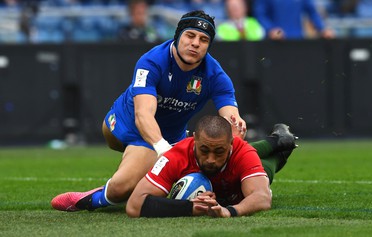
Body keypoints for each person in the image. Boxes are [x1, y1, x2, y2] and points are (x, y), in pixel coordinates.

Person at [51, 10, 250, 212]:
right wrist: (164, 151)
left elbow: (230, 116)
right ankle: (92, 197)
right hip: (127, 126)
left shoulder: (216, 75)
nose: (196, 43)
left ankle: (277, 148)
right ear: (178, 35)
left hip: (170, 138)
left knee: (127, 187)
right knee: (126, 182)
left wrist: (235, 127)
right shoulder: (152, 61)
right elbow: (143, 115)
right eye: (190, 35)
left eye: (204, 39)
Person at [126, 115, 297, 218]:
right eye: (204, 150)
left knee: (265, 170)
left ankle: (279, 148)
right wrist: (191, 207)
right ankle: (279, 142)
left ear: (232, 143)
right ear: (194, 139)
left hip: (235, 188)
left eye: (219, 152)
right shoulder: (175, 156)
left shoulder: (242, 150)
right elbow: (134, 205)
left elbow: (262, 197)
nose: (210, 160)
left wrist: (229, 211)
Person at [252, 0, 335, 40]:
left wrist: (323, 29)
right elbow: (260, 14)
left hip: (297, 40)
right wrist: (271, 29)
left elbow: (312, 12)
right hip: (275, 42)